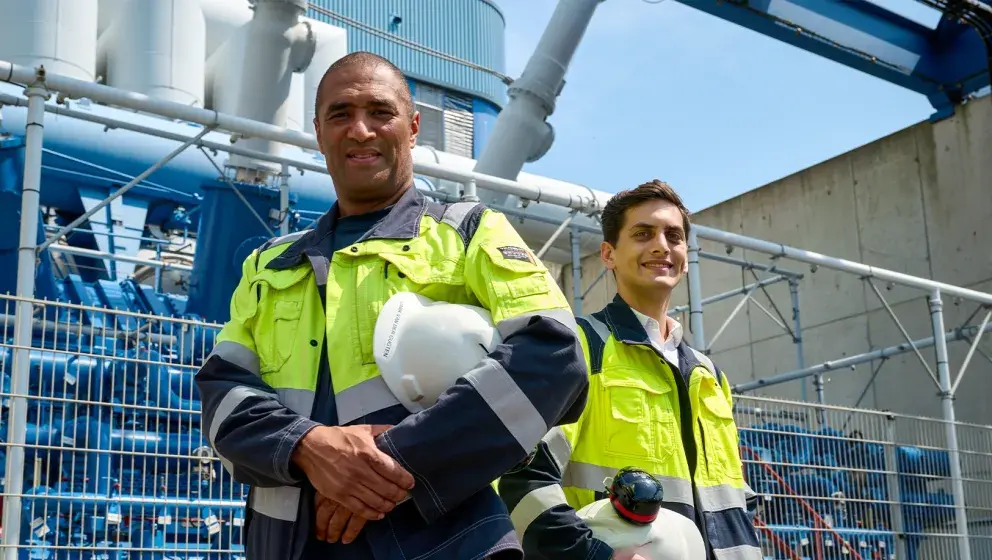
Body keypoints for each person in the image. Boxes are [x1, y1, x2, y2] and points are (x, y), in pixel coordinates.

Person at [195, 51, 590, 560]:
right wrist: (309, 448)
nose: (360, 130)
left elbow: (554, 356)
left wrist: (393, 466)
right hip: (289, 545)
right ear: (318, 132)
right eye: (341, 114)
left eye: (380, 112)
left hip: (444, 543)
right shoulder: (269, 265)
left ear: (413, 127)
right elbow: (220, 393)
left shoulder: (467, 232)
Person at [497, 180, 762, 560]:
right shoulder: (578, 347)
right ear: (608, 254)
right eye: (642, 234)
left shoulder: (709, 376)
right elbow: (522, 481)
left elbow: (735, 500)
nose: (661, 245)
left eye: (674, 236)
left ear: (686, 256)